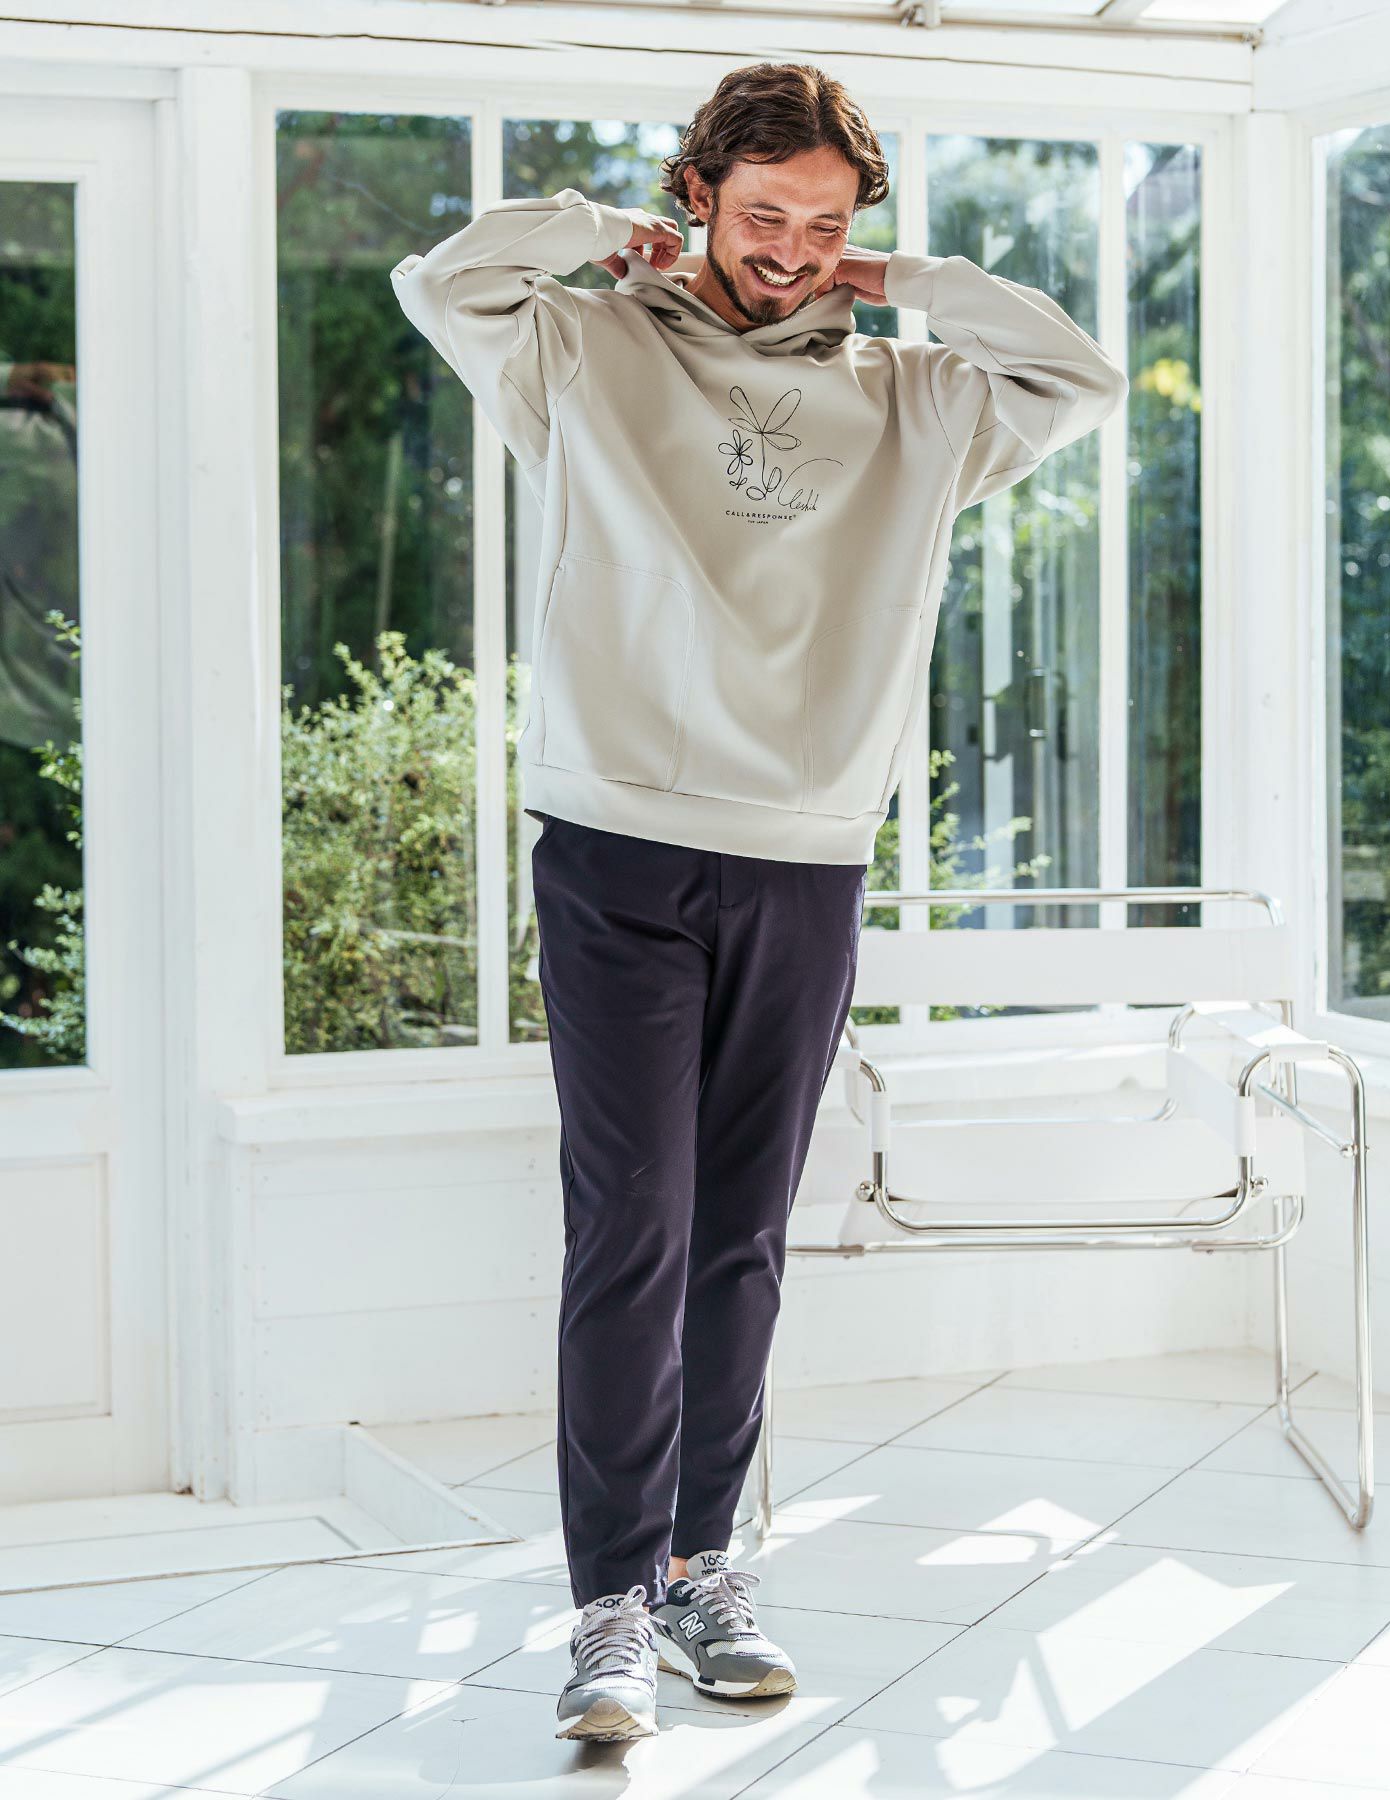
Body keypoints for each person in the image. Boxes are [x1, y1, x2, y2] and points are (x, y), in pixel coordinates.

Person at [390, 59, 1127, 1744]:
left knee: (739, 1234)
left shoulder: (920, 401)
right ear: (699, 197)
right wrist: (606, 231)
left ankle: (697, 1566)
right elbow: (445, 282)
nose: (791, 247)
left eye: (824, 221)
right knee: (630, 1225)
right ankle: (605, 1608)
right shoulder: (585, 351)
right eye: (762, 212)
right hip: (617, 844)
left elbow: (1078, 375)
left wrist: (903, 280)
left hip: (807, 852)